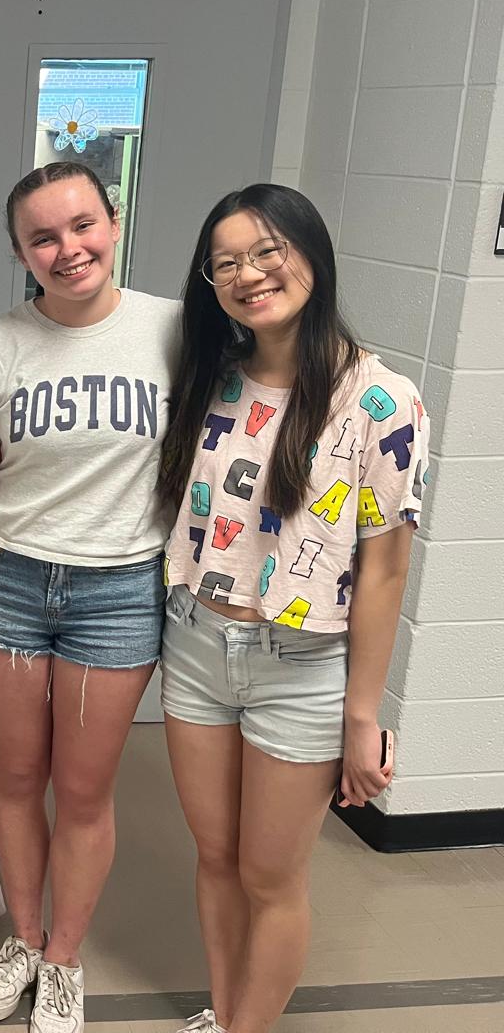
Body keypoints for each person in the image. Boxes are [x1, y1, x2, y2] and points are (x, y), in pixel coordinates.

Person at [155, 185, 425, 1033]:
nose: (248, 274)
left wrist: (361, 715)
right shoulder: (214, 380)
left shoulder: (380, 402)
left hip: (302, 663)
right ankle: (226, 1013)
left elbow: (384, 573)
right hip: (196, 644)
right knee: (216, 858)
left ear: (311, 252)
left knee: (273, 880)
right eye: (226, 261)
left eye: (266, 251)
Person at [0, 162, 179, 1033]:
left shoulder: (177, 329)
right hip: (7, 583)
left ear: (112, 222)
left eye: (81, 225)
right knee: (16, 777)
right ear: (20, 253)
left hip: (118, 591)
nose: (66, 248)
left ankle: (66, 962)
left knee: (83, 792)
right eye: (43, 237)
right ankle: (25, 943)